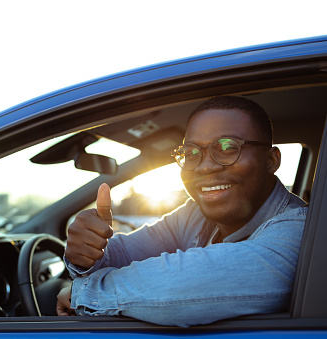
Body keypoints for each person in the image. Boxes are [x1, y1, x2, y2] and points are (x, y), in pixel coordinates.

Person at [56, 96, 308, 327]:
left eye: (228, 147)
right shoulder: (193, 214)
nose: (204, 167)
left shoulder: (301, 231)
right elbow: (124, 252)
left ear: (271, 160)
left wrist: (82, 293)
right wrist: (88, 251)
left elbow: (176, 288)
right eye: (191, 153)